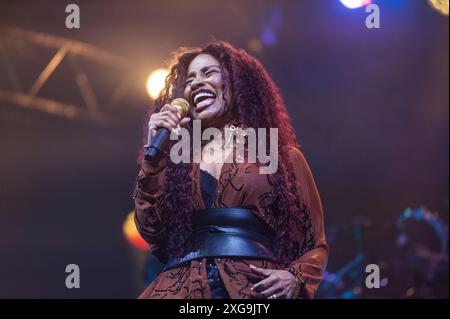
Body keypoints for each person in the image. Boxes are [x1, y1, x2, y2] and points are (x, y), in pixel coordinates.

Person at [132, 41, 328, 299]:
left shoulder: (281, 157)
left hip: (252, 288)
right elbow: (152, 232)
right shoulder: (177, 163)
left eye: (208, 72)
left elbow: (314, 244)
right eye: (190, 80)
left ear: (237, 84)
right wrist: (154, 155)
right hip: (184, 290)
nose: (196, 83)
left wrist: (294, 277)